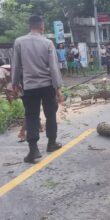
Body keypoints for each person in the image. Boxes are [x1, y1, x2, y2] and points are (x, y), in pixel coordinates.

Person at [12, 15, 63, 163]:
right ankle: (52, 143)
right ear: (42, 27)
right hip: (47, 86)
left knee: (32, 116)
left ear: (30, 26)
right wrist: (57, 88)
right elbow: (54, 68)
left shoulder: (19, 42)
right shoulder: (48, 43)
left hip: (29, 87)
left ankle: (33, 150)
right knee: (51, 114)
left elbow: (16, 66)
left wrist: (14, 84)